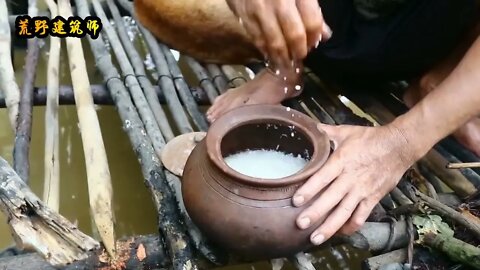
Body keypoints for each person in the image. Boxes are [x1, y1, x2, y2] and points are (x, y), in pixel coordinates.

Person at [135, 0, 480, 246]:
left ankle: (444, 80)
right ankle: (285, 62)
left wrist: (403, 140)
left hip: (432, 27)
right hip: (333, 23)